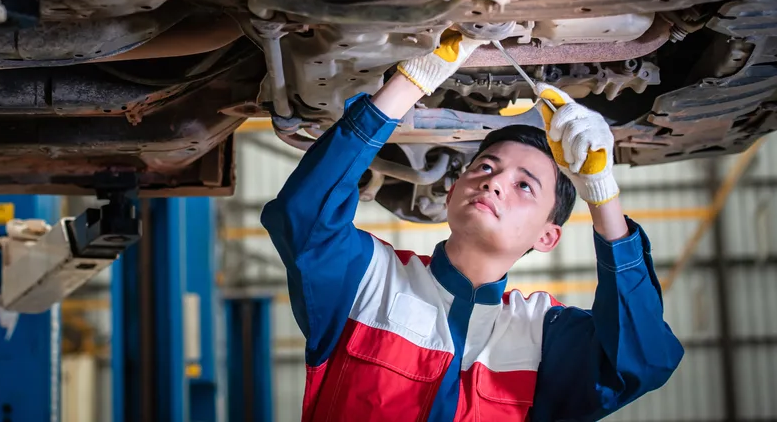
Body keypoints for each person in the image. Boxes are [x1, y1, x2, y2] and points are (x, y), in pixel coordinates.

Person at [261, 32, 684, 421]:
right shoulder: (372, 281)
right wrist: (413, 79)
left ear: (547, 236)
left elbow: (642, 361)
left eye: (524, 185)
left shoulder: (542, 334)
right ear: (451, 193)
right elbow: (303, 214)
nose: (494, 181)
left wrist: (601, 191)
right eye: (485, 166)